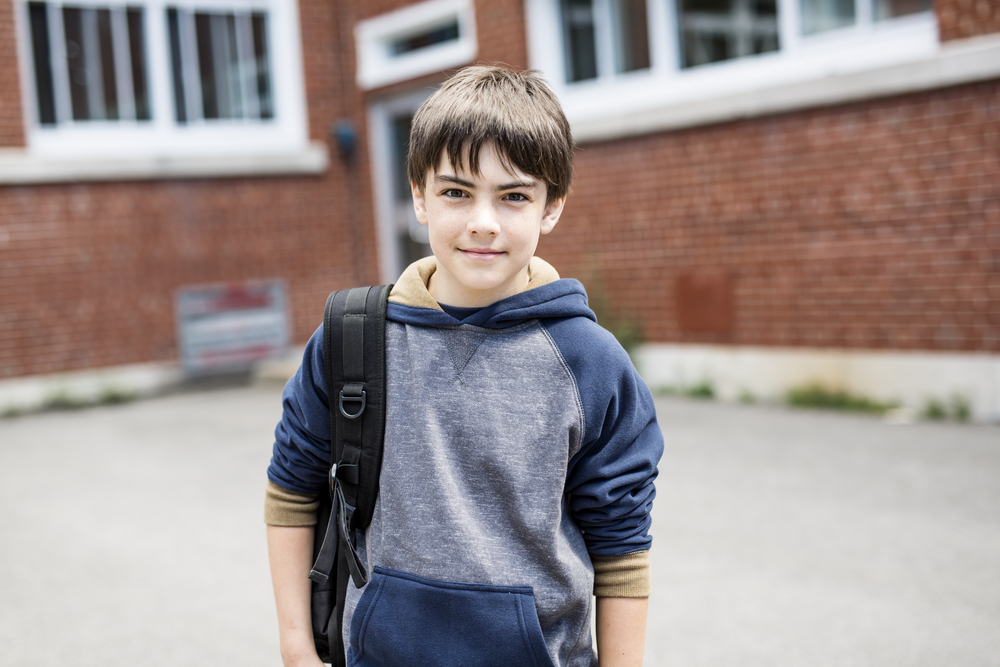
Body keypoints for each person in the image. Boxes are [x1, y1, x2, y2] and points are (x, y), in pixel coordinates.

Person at [265, 65, 663, 667]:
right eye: (457, 192)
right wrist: (296, 646)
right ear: (419, 197)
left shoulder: (590, 362)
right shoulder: (350, 338)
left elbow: (622, 542)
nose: (483, 221)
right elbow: (292, 489)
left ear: (550, 207)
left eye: (513, 196)